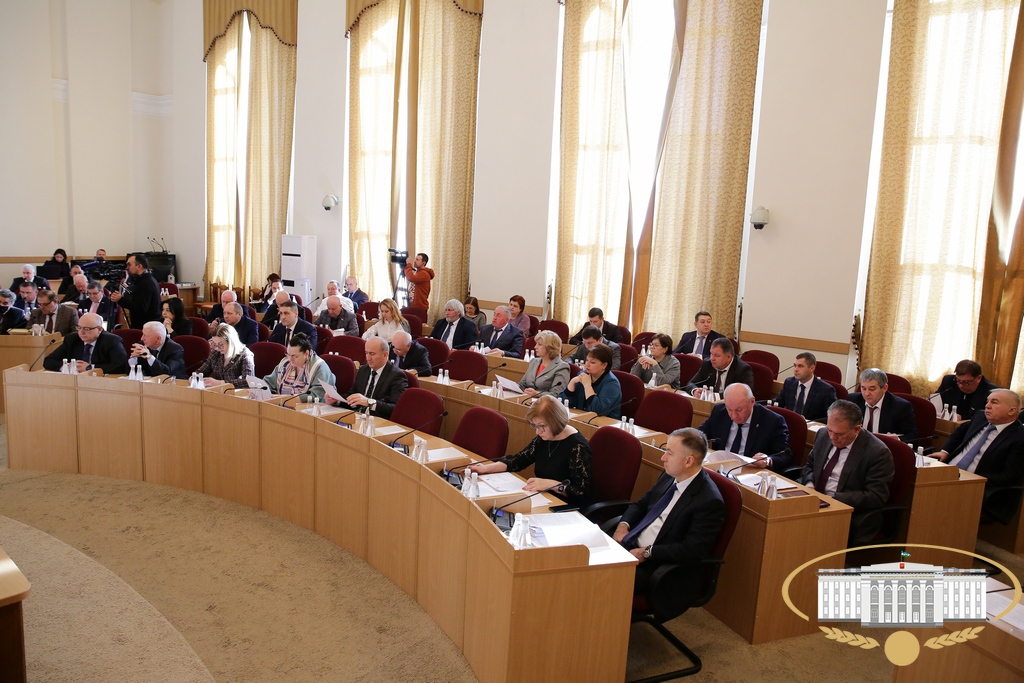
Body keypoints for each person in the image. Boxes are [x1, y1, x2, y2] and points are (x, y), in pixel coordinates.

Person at [612, 428, 725, 594]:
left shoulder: (709, 501)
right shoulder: (670, 475)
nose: (663, 458)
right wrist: (623, 525)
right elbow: (642, 504)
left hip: (657, 567)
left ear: (688, 461)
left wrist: (648, 552)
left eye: (669, 453)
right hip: (630, 545)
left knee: (603, 578)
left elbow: (692, 550)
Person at [467, 395, 593, 506]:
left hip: (567, 508)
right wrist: (485, 469)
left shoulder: (578, 447)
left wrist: (552, 485)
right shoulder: (544, 437)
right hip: (543, 498)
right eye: (535, 426)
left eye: (541, 426)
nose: (537, 431)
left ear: (556, 422)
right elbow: (518, 461)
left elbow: (580, 492)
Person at [800, 400, 894, 545]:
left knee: (805, 533)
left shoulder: (877, 452)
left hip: (847, 510)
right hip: (814, 500)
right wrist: (810, 485)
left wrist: (831, 498)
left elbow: (876, 496)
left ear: (857, 429)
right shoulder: (823, 434)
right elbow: (809, 465)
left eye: (839, 434)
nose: (832, 437)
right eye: (830, 430)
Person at [934, 390, 1024, 521]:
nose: (987, 406)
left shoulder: (1019, 437)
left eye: (994, 402)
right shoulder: (980, 417)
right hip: (948, 471)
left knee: (931, 497)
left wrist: (973, 479)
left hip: (976, 486)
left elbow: (1009, 476)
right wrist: (945, 451)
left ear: (1011, 410)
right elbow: (959, 431)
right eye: (987, 401)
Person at [698, 384, 792, 472]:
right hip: (719, 468)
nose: (734, 416)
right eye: (729, 409)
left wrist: (769, 460)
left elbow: (786, 456)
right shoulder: (719, 411)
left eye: (739, 410)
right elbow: (699, 434)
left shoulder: (772, 421)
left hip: (749, 472)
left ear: (752, 401)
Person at [328, 337, 407, 417]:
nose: (368, 358)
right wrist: (337, 400)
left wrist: (369, 402)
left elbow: (396, 408)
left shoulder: (396, 376)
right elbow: (352, 396)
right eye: (366, 353)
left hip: (378, 420)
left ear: (385, 355)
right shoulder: (363, 370)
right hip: (358, 417)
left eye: (372, 354)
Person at [43, 312, 128, 374]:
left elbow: (121, 366)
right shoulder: (72, 339)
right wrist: (66, 366)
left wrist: (90, 368)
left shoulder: (111, 341)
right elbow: (48, 361)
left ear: (99, 329)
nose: (81, 332)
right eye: (79, 327)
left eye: (87, 329)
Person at [848, 368, 918, 443]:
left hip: (884, 447)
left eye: (872, 389)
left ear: (884, 388)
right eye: (863, 388)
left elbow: (913, 435)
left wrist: (896, 439)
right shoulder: (852, 400)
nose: (867, 393)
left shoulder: (900, 407)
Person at [264, 333, 335, 403]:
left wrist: (285, 399)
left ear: (306, 354)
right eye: (288, 355)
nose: (290, 359)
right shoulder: (285, 363)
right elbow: (268, 383)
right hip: (283, 405)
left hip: (312, 407)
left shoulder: (320, 367)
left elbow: (315, 395)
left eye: (294, 356)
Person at [562, 343, 622, 419]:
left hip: (605, 423)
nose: (587, 365)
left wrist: (587, 386)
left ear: (604, 365)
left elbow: (597, 411)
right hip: (581, 419)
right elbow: (564, 403)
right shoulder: (583, 374)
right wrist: (572, 382)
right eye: (587, 360)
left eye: (592, 362)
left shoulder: (612, 384)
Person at [773, 352, 837, 421]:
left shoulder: (826, 390)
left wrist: (807, 421)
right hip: (789, 423)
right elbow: (778, 403)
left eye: (800, 366)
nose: (796, 369)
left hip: (810, 426)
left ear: (812, 368)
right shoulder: (789, 383)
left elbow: (831, 417)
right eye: (795, 365)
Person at [683, 338, 754, 397]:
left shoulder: (742, 369)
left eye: (716, 355)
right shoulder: (707, 364)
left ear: (728, 357)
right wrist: (695, 390)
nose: (712, 358)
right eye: (711, 354)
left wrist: (714, 396)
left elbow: (743, 394)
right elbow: (691, 384)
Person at [196, 323, 256, 388]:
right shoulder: (215, 353)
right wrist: (195, 377)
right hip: (218, 391)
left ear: (231, 342)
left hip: (238, 392)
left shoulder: (245, 355)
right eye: (215, 344)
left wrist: (221, 383)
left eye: (221, 345)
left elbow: (248, 381)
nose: (218, 348)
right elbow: (201, 371)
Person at [109, 254, 161, 329]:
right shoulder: (144, 280)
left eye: (129, 265)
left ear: (139, 266)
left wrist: (120, 300)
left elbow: (140, 308)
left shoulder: (145, 283)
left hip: (147, 328)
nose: (126, 268)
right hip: (146, 326)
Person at [518, 330, 570, 397]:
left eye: (539, 344)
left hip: (545, 402)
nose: (535, 347)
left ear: (550, 347)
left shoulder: (562, 367)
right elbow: (522, 384)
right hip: (527, 399)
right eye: (536, 344)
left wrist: (538, 394)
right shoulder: (534, 362)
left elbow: (557, 394)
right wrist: (510, 387)